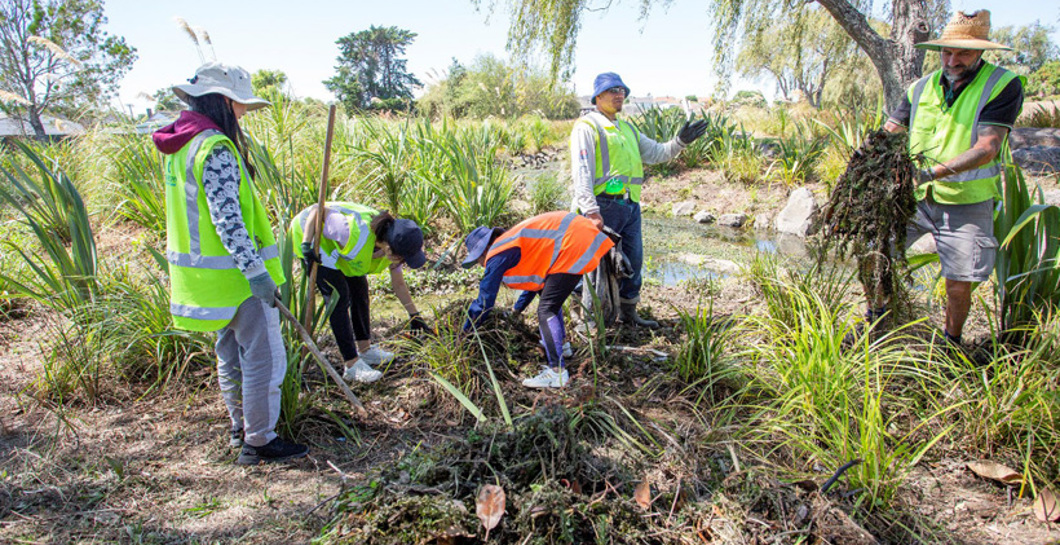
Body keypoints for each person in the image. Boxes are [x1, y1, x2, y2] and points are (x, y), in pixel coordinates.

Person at [153, 62, 308, 465]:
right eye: (239, 104)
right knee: (264, 359)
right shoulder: (215, 147)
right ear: (223, 101)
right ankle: (259, 441)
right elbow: (228, 219)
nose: (242, 113)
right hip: (238, 279)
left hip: (206, 281)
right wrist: (256, 272)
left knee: (231, 356)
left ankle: (241, 429)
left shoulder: (180, 146)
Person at [878, 9, 1024, 345]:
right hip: (913, 197)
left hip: (966, 202)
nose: (953, 60)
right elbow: (891, 131)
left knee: (958, 281)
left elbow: (987, 147)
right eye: (947, 52)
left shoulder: (1002, 85)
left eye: (963, 53)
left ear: (981, 52)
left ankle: (951, 344)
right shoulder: (921, 87)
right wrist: (867, 160)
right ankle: (876, 321)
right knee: (876, 254)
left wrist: (930, 173)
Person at [570, 72, 709, 329]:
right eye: (613, 90)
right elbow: (582, 171)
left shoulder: (628, 129)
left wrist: (680, 141)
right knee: (593, 265)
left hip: (629, 206)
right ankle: (584, 316)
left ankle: (628, 312)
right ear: (598, 96)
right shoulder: (587, 126)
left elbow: (656, 153)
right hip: (602, 206)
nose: (619, 94)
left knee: (633, 260)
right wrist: (590, 210)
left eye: (622, 90)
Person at [461, 211, 615, 388]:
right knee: (549, 301)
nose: (482, 264)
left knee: (546, 310)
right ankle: (561, 347)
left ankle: (557, 372)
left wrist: (465, 333)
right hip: (578, 236)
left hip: (572, 241)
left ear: (484, 251)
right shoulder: (512, 244)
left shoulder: (497, 253)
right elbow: (536, 286)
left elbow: (484, 302)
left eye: (478, 260)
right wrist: (517, 310)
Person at [291, 202, 429, 383]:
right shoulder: (350, 231)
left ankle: (365, 350)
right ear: (389, 249)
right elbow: (318, 209)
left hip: (337, 246)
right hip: (312, 235)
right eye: (403, 258)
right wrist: (306, 244)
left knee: (360, 289)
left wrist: (414, 315)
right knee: (338, 297)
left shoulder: (392, 244)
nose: (403, 262)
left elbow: (399, 284)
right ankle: (351, 365)